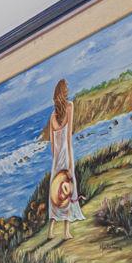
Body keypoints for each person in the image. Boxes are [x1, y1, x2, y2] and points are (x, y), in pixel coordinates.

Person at [42, 77, 84, 238]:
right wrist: (71, 162)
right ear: (63, 92)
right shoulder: (70, 106)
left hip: (56, 160)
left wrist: (56, 161)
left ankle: (51, 231)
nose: (68, 90)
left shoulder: (52, 117)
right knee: (68, 191)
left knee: (55, 193)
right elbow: (68, 138)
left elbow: (52, 145)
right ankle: (66, 231)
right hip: (66, 156)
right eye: (66, 88)